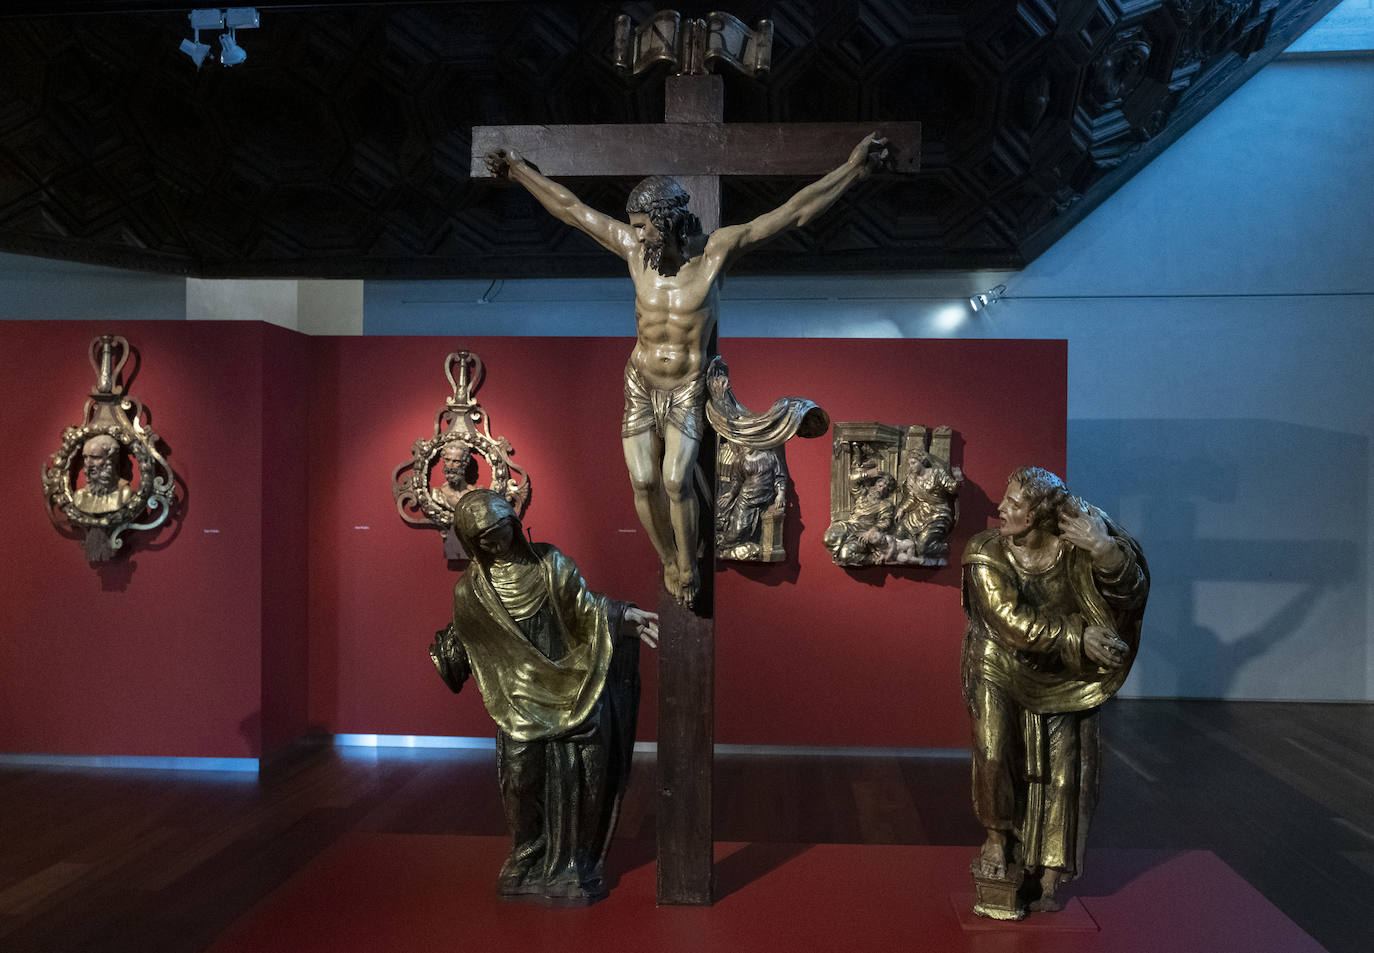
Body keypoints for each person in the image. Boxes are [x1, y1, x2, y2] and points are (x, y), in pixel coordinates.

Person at [485, 134, 887, 605]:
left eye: (643, 226)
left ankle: (690, 564)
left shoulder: (716, 253)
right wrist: (519, 170)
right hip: (640, 381)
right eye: (632, 226)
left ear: (667, 219)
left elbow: (792, 214)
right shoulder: (634, 253)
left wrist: (852, 169)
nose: (635, 234)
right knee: (643, 481)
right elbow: (571, 209)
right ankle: (670, 560)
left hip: (686, 387)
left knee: (676, 480)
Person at [429, 489, 658, 905]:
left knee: (582, 778)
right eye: (486, 539)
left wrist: (622, 616)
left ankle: (575, 862)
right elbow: (469, 639)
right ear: (471, 542)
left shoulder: (551, 564)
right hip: (515, 699)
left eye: (502, 532)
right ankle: (526, 852)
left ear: (514, 526)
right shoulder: (471, 592)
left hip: (570, 687)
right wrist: (449, 652)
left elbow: (585, 609)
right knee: (520, 779)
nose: (498, 543)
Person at [961, 466, 1148, 913]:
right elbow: (1009, 621)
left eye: (1014, 503)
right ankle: (995, 838)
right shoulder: (984, 551)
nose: (1000, 508)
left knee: (1066, 770)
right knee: (994, 750)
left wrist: (1104, 551)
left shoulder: (1075, 545)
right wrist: (1078, 638)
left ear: (1042, 515)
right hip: (999, 659)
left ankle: (1048, 872)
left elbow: (1130, 595)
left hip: (1063, 670)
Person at [715, 443, 786, 560]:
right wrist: (731, 493)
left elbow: (780, 477)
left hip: (766, 499)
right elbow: (737, 480)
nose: (743, 446)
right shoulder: (740, 459)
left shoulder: (771, 457)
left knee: (757, 531)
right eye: (741, 444)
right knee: (737, 532)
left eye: (746, 443)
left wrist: (781, 494)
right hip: (745, 500)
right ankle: (721, 548)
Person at [71, 434, 132, 514]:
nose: (88, 464)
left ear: (111, 460)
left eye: (95, 457)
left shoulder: (124, 494)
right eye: (85, 457)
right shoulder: (80, 496)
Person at [433, 442, 477, 510]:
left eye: (456, 461)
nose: (450, 466)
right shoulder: (438, 494)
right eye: (447, 460)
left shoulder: (474, 494)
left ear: (464, 464)